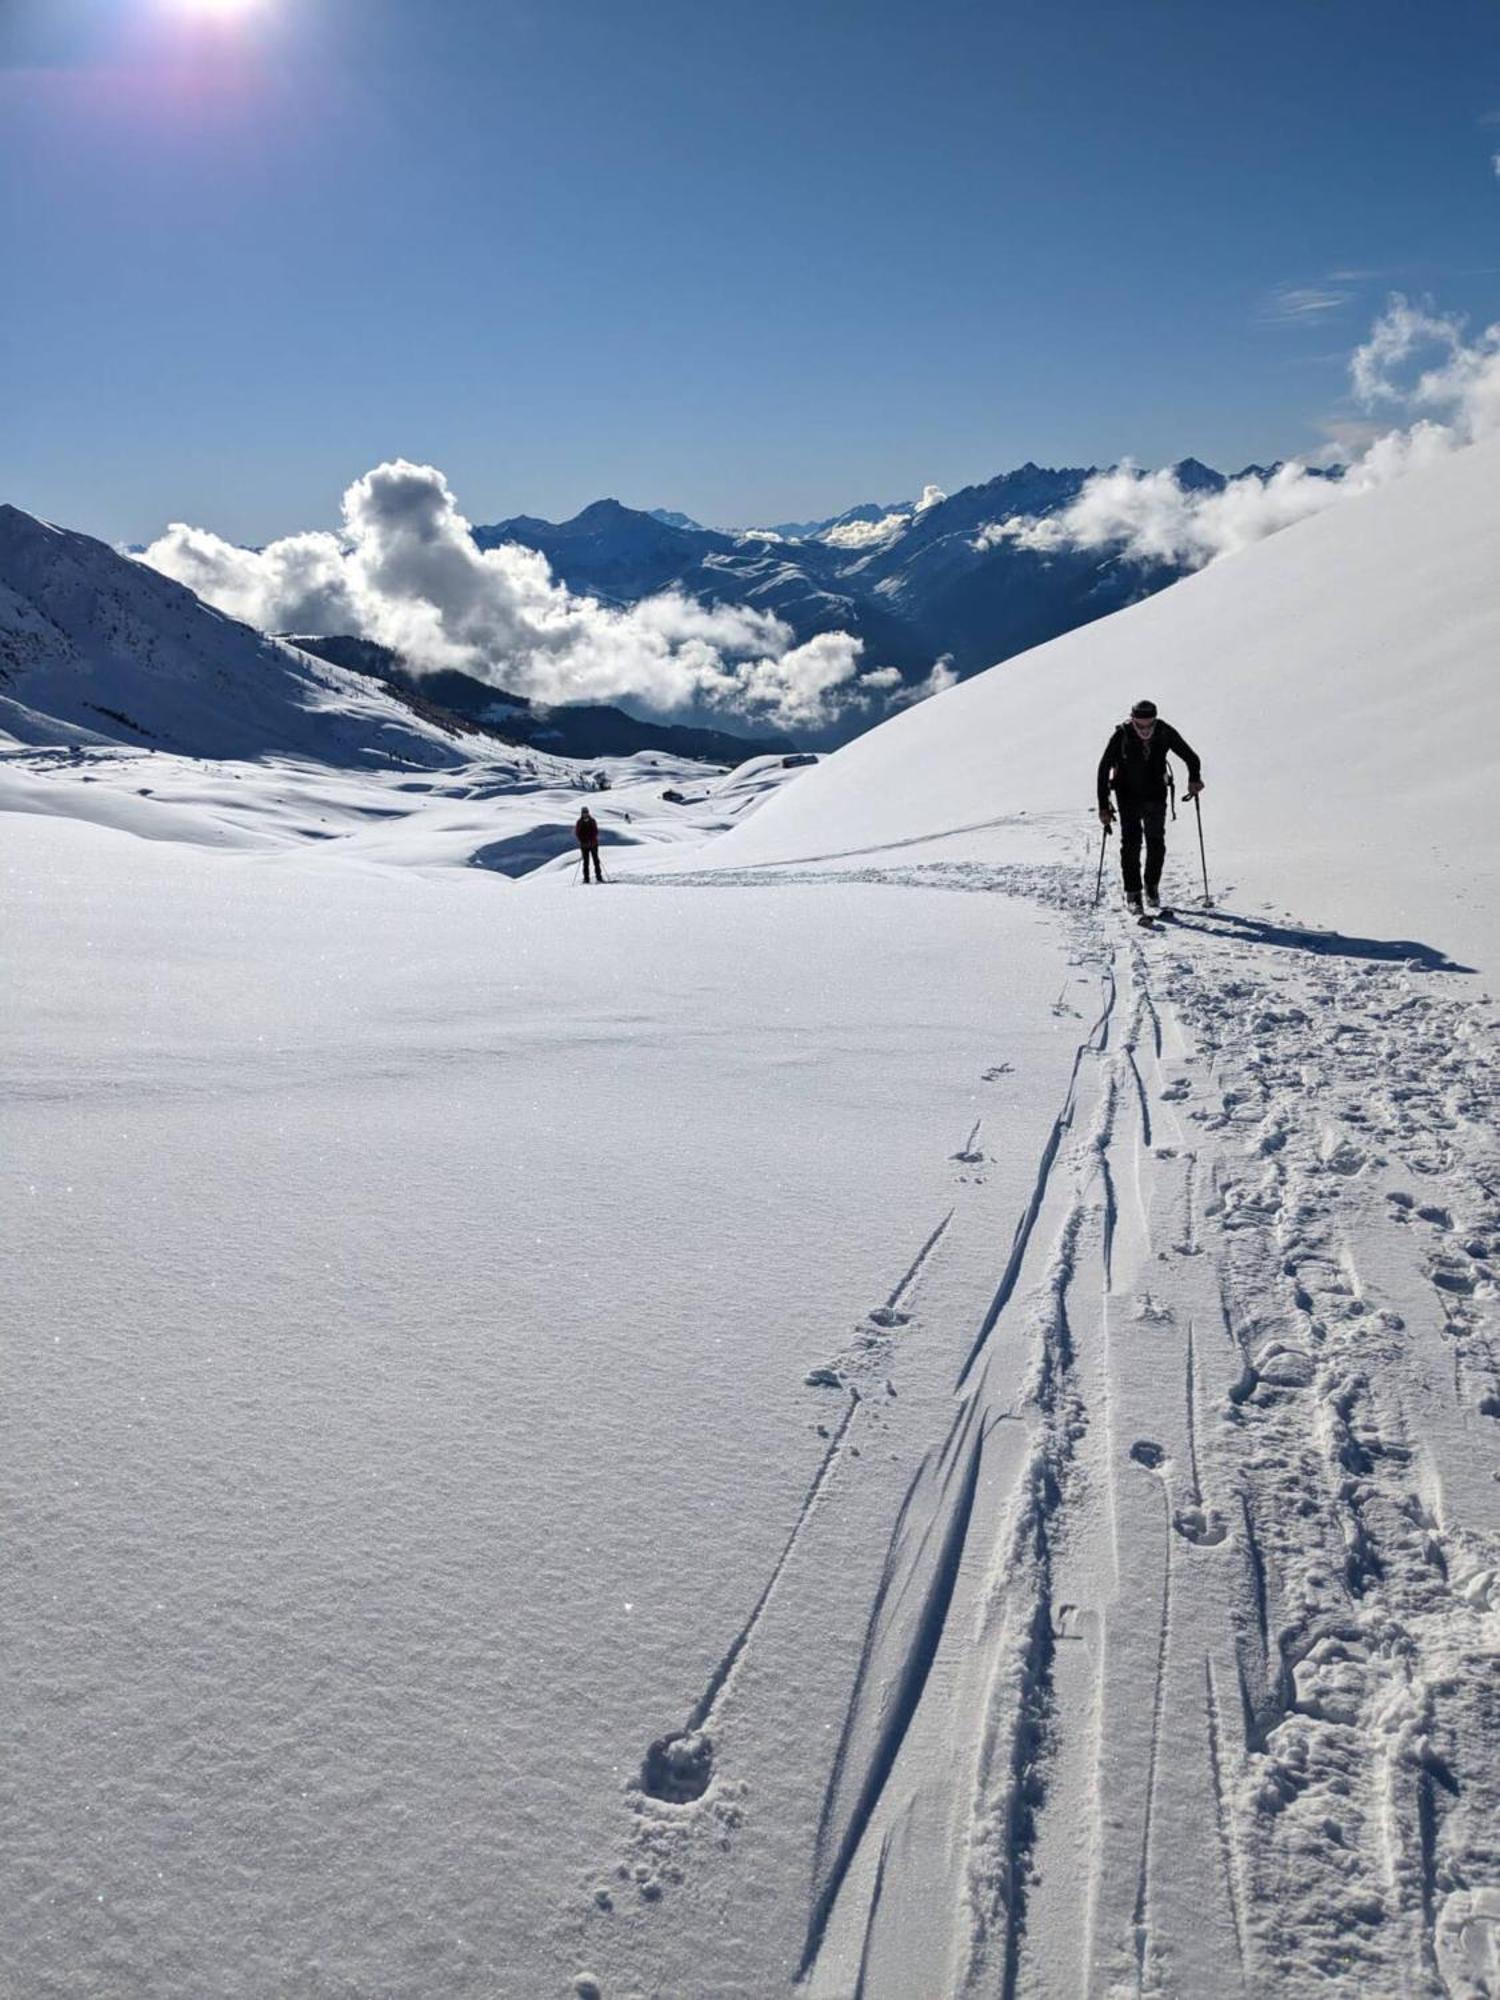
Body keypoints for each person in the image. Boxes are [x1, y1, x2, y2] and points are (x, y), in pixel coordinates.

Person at [1096, 699, 1203, 914]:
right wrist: (1103, 806)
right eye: (1140, 723)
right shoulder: (1122, 734)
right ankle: (1133, 893)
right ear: (1132, 718)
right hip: (1127, 796)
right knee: (1131, 844)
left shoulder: (1163, 731)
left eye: (1149, 723)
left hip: (1155, 794)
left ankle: (1151, 887)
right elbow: (1103, 768)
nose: (1145, 728)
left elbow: (1191, 757)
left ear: (1154, 719)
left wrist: (1194, 778)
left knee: (1156, 843)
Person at [575, 805, 603, 883]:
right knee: (586, 863)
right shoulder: (579, 822)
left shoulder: (592, 821)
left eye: (586, 812)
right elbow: (577, 833)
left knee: (596, 861)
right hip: (584, 845)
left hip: (593, 844)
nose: (585, 814)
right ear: (582, 813)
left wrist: (592, 840)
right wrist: (583, 840)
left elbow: (596, 831)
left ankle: (599, 877)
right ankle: (586, 879)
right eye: (584, 812)